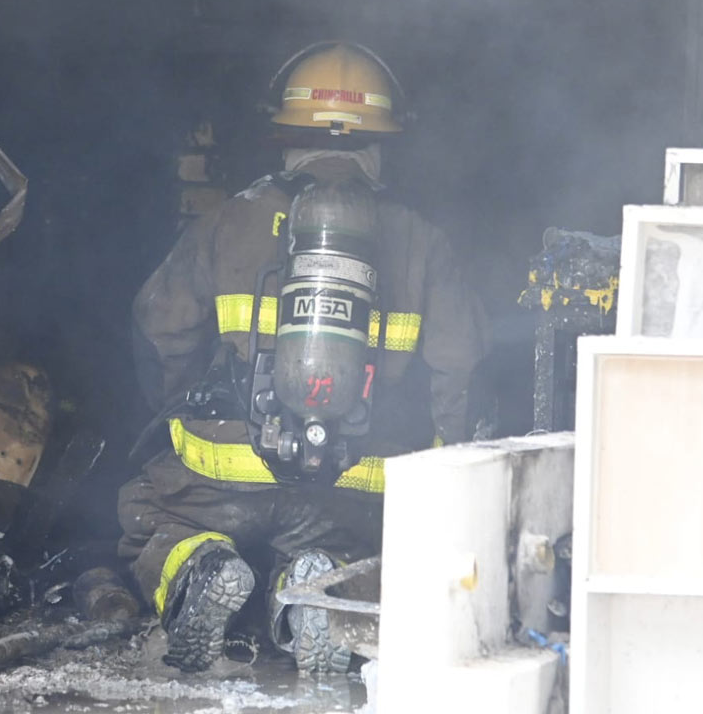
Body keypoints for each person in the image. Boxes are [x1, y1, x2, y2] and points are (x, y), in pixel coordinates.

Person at [119, 41, 486, 674]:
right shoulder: (422, 239)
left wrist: (184, 412)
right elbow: (461, 365)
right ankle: (319, 587)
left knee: (148, 510)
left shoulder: (229, 219)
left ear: (285, 136)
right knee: (356, 546)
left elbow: (160, 327)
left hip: (222, 471)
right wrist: (441, 476)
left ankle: (201, 566)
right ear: (383, 142)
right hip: (350, 480)